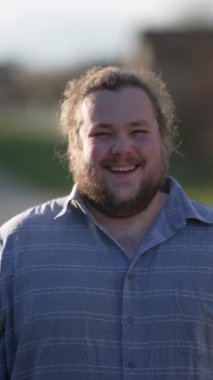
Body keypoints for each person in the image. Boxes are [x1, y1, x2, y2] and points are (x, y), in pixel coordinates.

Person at [0, 66, 213, 380]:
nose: (122, 148)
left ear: (163, 139)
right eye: (102, 133)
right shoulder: (15, 248)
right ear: (74, 145)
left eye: (138, 132)